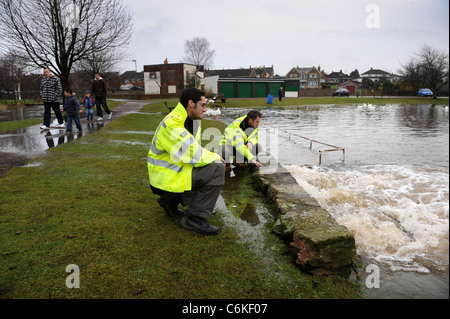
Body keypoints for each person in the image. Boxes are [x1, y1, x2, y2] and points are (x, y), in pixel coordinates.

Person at [147, 88, 225, 236]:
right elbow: (194, 154)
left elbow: (192, 150)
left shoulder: (192, 121)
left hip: (171, 175)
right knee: (217, 168)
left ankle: (170, 202)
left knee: (209, 166)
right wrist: (216, 157)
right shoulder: (172, 124)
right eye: (202, 105)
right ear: (191, 103)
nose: (205, 109)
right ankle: (194, 218)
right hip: (164, 179)